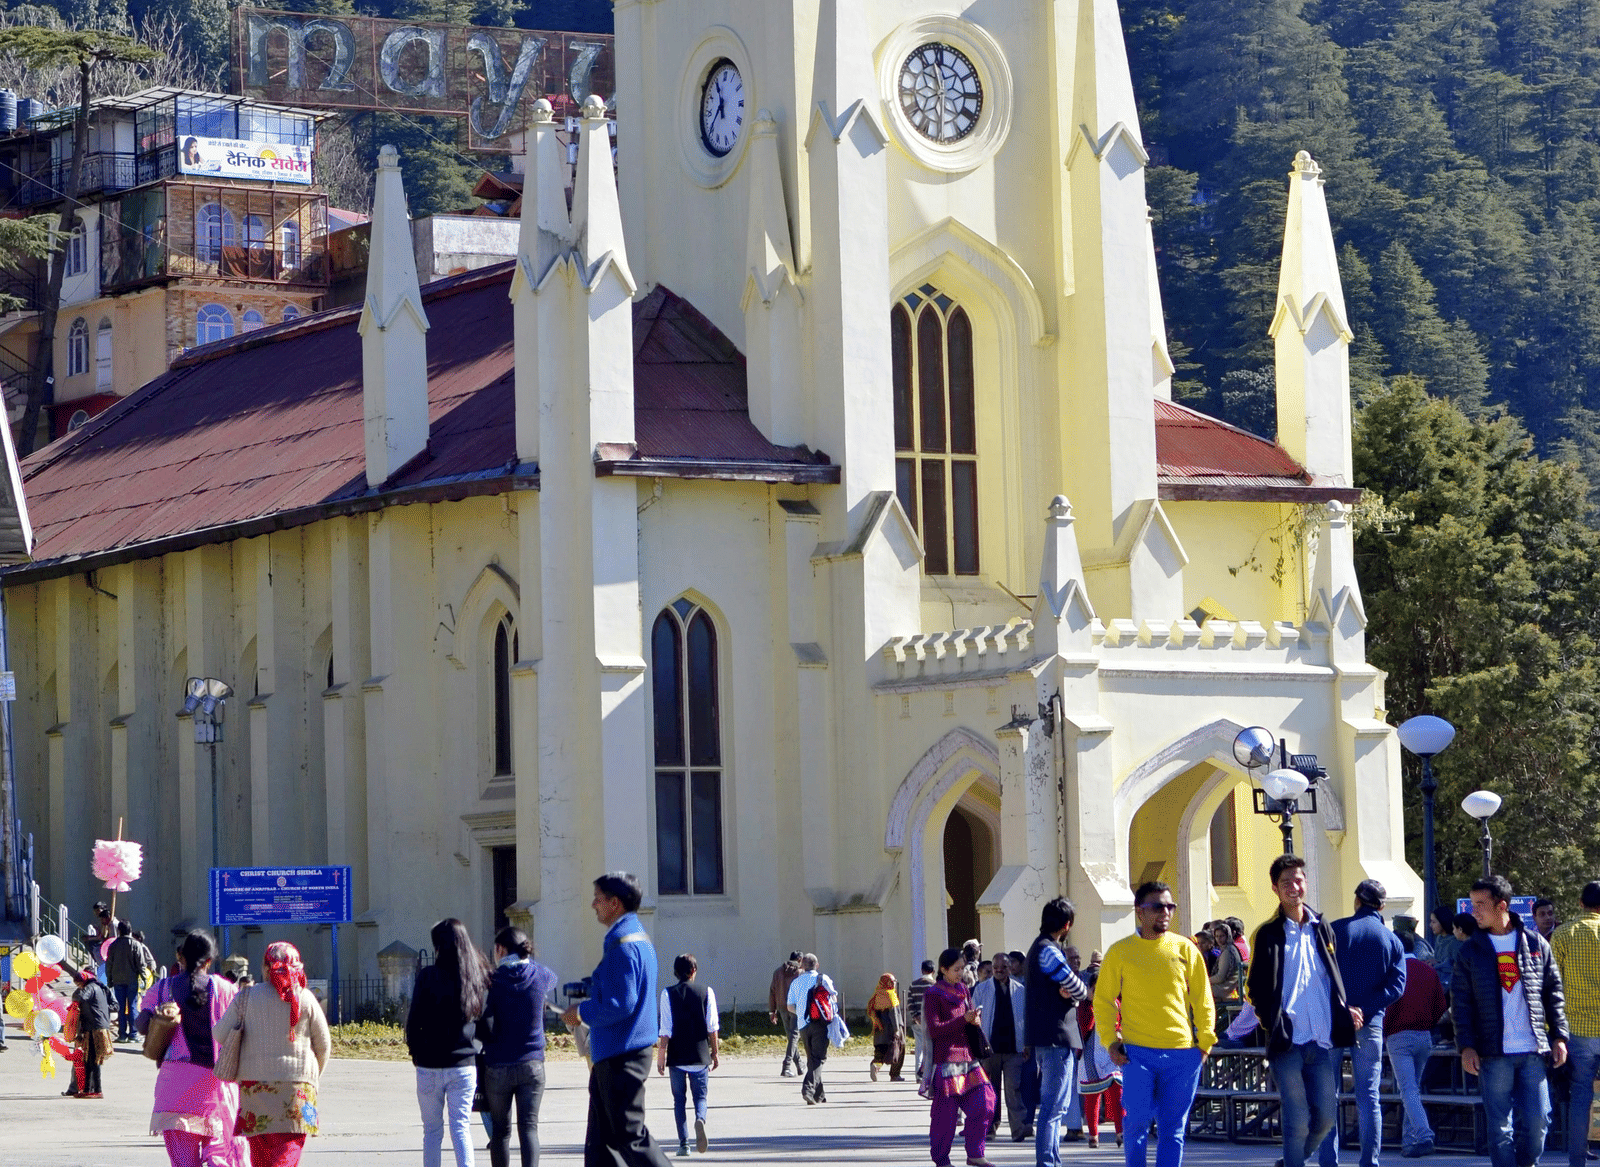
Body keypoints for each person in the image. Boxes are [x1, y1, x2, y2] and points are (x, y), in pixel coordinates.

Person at [1247, 855, 1358, 1167]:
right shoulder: (1267, 934)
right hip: (1287, 1042)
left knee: (1325, 1118)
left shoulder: (1322, 928)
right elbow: (1252, 988)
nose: (1294, 887)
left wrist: (1346, 1009)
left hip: (1321, 1040)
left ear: (1306, 882)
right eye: (1286, 883)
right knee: (1297, 1121)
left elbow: (1332, 977)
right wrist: (1273, 1022)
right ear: (1275, 889)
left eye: (1298, 880)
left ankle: (1291, 1162)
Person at [1095, 880, 1215, 1167]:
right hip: (1137, 1055)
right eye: (1158, 907)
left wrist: (1205, 1043)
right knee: (1135, 1128)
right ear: (1140, 912)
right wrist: (1110, 1041)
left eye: (1170, 906)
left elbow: (1202, 998)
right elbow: (1103, 1000)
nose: (1166, 912)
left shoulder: (1186, 949)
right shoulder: (1120, 951)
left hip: (1183, 1055)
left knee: (1173, 1131)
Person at [558, 872, 673, 1167]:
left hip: (623, 1053)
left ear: (615, 903)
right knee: (601, 1145)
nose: (593, 904)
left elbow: (620, 1003)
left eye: (598, 898)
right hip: (615, 1051)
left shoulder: (623, 943)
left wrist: (580, 1012)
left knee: (629, 1136)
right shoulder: (632, 936)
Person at [1453, 874, 1569, 1167]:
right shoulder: (1470, 951)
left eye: (1480, 904)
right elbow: (1461, 1003)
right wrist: (1466, 1046)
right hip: (1493, 1053)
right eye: (1471, 904)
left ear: (1501, 905)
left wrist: (1559, 1036)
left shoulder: (1535, 943)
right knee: (1499, 1129)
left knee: (1539, 1120)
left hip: (1532, 1050)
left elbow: (1553, 992)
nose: (1473, 911)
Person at [213, 941, 331, 1167]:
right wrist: (313, 1076)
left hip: (254, 1088)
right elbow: (324, 1045)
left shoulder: (246, 998)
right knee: (289, 1149)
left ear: (266, 967)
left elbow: (219, 1034)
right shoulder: (306, 998)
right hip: (298, 1088)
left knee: (260, 1153)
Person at [135, 929, 247, 1167]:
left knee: (183, 1161)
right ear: (209, 961)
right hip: (216, 1087)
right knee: (221, 1156)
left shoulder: (163, 988)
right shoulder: (226, 989)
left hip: (175, 1087)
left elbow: (142, 1025)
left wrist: (161, 1016)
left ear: (181, 957)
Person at [1319, 880, 1407, 1167]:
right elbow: (1397, 987)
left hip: (1332, 1020)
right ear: (1381, 907)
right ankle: (1369, 1162)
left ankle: (1327, 1161)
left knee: (1327, 1095)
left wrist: (1344, 1007)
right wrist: (1364, 1008)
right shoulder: (1391, 939)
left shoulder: (1335, 930)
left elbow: (1319, 976)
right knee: (1368, 1097)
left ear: (1357, 900)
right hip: (1371, 1023)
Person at [407, 918, 491, 1167]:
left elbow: (414, 1021)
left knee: (432, 1131)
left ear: (438, 946)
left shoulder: (427, 976)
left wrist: (416, 1052)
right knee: (461, 1128)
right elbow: (485, 1022)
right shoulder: (474, 978)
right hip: (463, 1063)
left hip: (429, 1064)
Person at [480, 925, 558, 1167]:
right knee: (529, 1129)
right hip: (532, 1064)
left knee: (501, 1132)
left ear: (500, 949)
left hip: (498, 1065)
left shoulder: (492, 980)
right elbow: (552, 981)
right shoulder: (540, 974)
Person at [1024, 896, 1091, 1167]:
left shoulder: (1037, 948)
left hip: (1044, 1035)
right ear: (1066, 924)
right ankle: (1048, 1163)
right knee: (1053, 1108)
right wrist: (1077, 994)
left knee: (1055, 1107)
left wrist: (1067, 993)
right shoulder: (1049, 950)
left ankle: (1051, 1160)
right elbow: (1078, 986)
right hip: (1056, 1036)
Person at [926, 946, 998, 1167]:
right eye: (956, 969)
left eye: (962, 968)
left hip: (969, 1058)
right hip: (947, 1061)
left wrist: (974, 1020)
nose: (960, 973)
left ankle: (975, 1153)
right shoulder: (933, 994)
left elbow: (968, 1017)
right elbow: (935, 1029)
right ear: (943, 969)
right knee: (945, 1117)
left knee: (986, 1103)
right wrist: (963, 1020)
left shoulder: (963, 989)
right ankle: (941, 1159)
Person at [1384, 936, 1448, 1158]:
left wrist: (1385, 1030)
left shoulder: (1393, 971)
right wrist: (1429, 1023)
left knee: (1408, 1089)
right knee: (1413, 1089)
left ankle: (1423, 1135)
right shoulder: (1428, 971)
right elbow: (1441, 1004)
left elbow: (1388, 1005)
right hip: (1424, 1035)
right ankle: (1409, 1141)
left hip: (1398, 1036)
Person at [1553, 880, 1600, 1167]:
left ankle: (1577, 1161)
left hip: (1578, 1030)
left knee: (1580, 1096)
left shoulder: (1562, 935)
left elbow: (1551, 986)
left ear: (1580, 903)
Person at [657, 953, 719, 1157]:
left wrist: (661, 1056)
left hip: (676, 1056)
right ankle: (700, 1119)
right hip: (700, 1055)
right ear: (693, 971)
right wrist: (715, 1053)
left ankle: (684, 1144)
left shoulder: (667, 994)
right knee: (700, 1097)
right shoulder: (706, 992)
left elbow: (665, 1028)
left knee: (679, 1100)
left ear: (675, 972)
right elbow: (712, 1027)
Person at [974, 953, 1029, 1142]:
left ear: (1009, 968)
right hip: (990, 1049)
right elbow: (974, 1019)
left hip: (1014, 1049)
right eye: (995, 967)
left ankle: (1018, 1129)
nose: (998, 971)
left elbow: (1026, 1019)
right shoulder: (982, 989)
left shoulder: (1020, 990)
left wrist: (1027, 1044)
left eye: (1003, 967)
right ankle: (989, 1128)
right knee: (991, 1090)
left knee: (1013, 1089)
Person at [786, 953, 837, 1106]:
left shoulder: (796, 982)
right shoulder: (823, 979)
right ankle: (807, 1090)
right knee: (819, 1059)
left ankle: (819, 1095)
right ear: (817, 965)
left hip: (803, 1025)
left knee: (812, 1060)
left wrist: (802, 1013)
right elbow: (833, 999)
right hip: (820, 1024)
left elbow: (789, 1006)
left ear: (802, 966)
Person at [69, 966, 114, 1098]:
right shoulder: (98, 987)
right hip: (93, 1027)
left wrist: (74, 1004)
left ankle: (97, 1091)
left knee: (94, 1059)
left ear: (84, 980)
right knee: (88, 1059)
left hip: (96, 1028)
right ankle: (87, 1090)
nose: (79, 986)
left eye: (79, 984)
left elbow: (82, 997)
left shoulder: (90, 987)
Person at [107, 920, 147, 1042]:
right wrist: (144, 978)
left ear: (118, 931)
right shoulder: (135, 944)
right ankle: (133, 1034)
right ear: (130, 930)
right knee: (132, 1006)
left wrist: (109, 979)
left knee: (120, 1007)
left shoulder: (113, 945)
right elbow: (141, 964)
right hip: (132, 980)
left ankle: (122, 1035)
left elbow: (109, 964)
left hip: (118, 980)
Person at [767, 952, 805, 1078]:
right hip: (795, 1008)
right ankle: (786, 1066)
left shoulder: (778, 972)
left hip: (782, 1008)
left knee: (791, 1037)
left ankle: (799, 1065)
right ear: (799, 959)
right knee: (794, 1037)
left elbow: (772, 991)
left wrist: (772, 1011)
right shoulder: (800, 973)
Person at [867, 972, 905, 1082]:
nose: (894, 983)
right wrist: (897, 1030)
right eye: (892, 981)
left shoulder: (877, 994)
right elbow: (894, 1015)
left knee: (881, 1050)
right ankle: (895, 1074)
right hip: (892, 1028)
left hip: (880, 1029)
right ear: (887, 982)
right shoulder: (890, 995)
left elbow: (871, 1010)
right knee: (899, 1049)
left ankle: (875, 1065)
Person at [909, 960, 936, 1079]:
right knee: (931, 1048)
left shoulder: (913, 985)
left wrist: (916, 1016)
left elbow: (910, 1002)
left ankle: (918, 1075)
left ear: (921, 970)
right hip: (931, 1022)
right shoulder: (935, 985)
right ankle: (928, 1074)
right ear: (933, 971)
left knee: (919, 1048)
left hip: (917, 1022)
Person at [1427, 906, 1462, 989]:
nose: (1430, 925)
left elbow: (1457, 967)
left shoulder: (1455, 942)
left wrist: (1438, 964)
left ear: (1443, 921)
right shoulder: (1439, 939)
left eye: (1434, 922)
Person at [1209, 921, 1242, 1005]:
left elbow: (1220, 977)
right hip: (1228, 987)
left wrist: (1206, 980)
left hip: (1225, 989)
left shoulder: (1228, 951)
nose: (1218, 939)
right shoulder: (1228, 949)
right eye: (1216, 936)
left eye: (1221, 936)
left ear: (1228, 936)